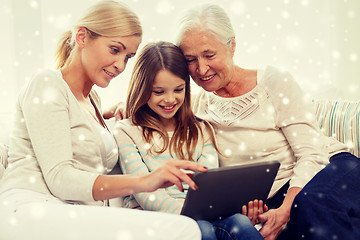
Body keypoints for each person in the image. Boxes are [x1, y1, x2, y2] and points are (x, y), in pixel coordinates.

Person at [0, 1, 206, 239]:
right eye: (114, 50)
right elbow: (60, 178)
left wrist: (122, 113)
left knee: (180, 225)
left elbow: (85, 139)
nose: (120, 65)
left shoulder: (92, 100)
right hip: (32, 206)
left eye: (128, 57)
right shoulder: (47, 84)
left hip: (72, 211)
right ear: (82, 37)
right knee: (184, 229)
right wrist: (144, 181)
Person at [175, 4, 360, 240]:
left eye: (209, 55)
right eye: (190, 60)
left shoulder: (273, 82)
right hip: (279, 197)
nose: (201, 68)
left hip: (328, 169)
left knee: (310, 207)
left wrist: (286, 209)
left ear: (232, 46)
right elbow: (156, 101)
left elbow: (311, 154)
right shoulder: (196, 107)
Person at [113, 41, 265, 240]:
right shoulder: (127, 131)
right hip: (154, 220)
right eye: (159, 92)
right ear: (142, 89)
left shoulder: (201, 130)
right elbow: (144, 192)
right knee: (201, 229)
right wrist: (189, 217)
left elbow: (207, 184)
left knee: (241, 223)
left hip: (202, 216)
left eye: (178, 90)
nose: (170, 100)